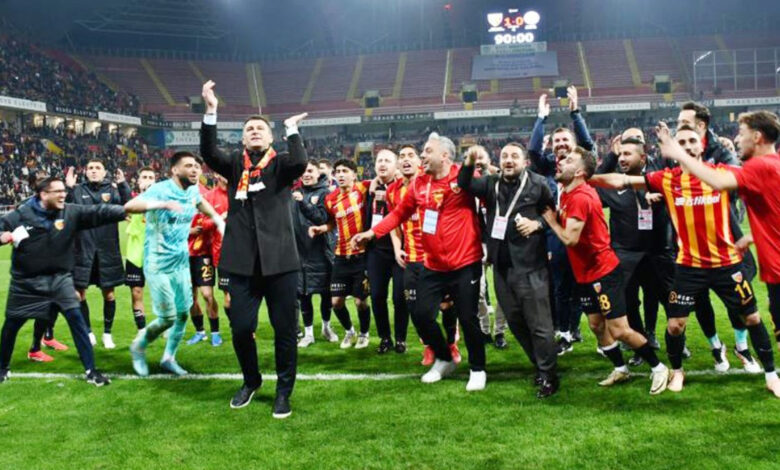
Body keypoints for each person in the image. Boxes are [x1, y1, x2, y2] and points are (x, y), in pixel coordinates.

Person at [589, 123, 779, 397]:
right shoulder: (667, 179)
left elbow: (763, 192)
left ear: (702, 145)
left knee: (751, 317)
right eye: (682, 142)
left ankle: (771, 375)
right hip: (689, 267)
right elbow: (623, 181)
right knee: (675, 325)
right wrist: (586, 178)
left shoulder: (722, 174)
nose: (688, 146)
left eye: (692, 140)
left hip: (726, 264)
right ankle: (677, 371)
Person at [200, 80, 308, 417]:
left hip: (280, 262)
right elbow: (209, 153)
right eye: (249, 129)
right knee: (241, 328)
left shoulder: (282, 164)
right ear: (243, 139)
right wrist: (211, 111)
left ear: (271, 137)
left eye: (260, 128)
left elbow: (300, 163)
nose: (255, 131)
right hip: (242, 263)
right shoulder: (235, 164)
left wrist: (292, 129)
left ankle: (283, 392)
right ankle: (251, 380)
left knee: (285, 330)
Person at [351, 132, 487, 392]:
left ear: (444, 156)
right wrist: (372, 233)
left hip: (465, 262)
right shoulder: (419, 184)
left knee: (468, 317)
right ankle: (444, 358)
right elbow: (399, 214)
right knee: (421, 314)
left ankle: (478, 368)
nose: (422, 156)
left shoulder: (463, 177)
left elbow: (487, 195)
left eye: (427, 151)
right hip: (433, 264)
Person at [0, 176, 157, 386]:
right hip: (26, 282)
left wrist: (124, 210)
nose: (63, 194)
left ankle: (91, 371)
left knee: (77, 322)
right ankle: (2, 368)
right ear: (43, 194)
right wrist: (3, 236)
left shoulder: (70, 212)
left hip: (60, 280)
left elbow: (98, 212)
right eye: (57, 191)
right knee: (12, 324)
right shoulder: (21, 214)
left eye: (63, 190)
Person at [542, 146, 670, 395]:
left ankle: (658, 367)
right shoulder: (568, 192)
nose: (561, 161)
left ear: (579, 172)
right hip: (585, 273)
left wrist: (551, 221)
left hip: (603, 272)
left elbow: (570, 239)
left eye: (569, 160)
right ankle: (621, 369)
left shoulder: (580, 196)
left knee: (619, 330)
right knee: (596, 325)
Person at [658, 110, 780, 365]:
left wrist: (679, 153)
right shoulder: (772, 165)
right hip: (698, 264)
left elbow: (718, 181)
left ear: (757, 137)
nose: (736, 139)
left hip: (750, 265)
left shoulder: (758, 166)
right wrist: (753, 236)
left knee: (757, 318)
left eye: (741, 133)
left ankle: (756, 361)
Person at [458, 142, 560, 398]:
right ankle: (540, 365)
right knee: (515, 322)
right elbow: (464, 183)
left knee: (539, 325)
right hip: (501, 267)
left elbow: (553, 213)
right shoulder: (490, 183)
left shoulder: (538, 183)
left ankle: (549, 376)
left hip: (531, 265)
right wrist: (469, 160)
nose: (509, 160)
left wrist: (537, 224)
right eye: (504, 156)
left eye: (515, 156)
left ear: (525, 161)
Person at [128, 151, 225, 378]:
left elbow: (200, 202)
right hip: (158, 262)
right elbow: (129, 206)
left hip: (180, 262)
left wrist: (217, 220)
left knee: (182, 314)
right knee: (168, 317)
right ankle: (139, 346)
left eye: (197, 166)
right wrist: (161, 204)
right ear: (174, 169)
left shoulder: (192, 190)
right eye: (189, 166)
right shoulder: (160, 189)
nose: (195, 170)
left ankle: (168, 358)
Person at [529, 89, 593, 353]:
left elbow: (588, 146)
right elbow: (532, 151)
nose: (561, 144)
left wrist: (575, 113)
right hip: (554, 236)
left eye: (565, 139)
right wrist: (540, 118)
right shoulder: (547, 166)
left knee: (580, 285)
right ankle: (562, 329)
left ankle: (573, 327)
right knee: (558, 286)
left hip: (581, 234)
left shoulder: (580, 165)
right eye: (557, 141)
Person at [386, 145, 459, 359]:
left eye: (411, 155)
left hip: (436, 259)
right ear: (398, 164)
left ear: (420, 161)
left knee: (446, 305)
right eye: (402, 156)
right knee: (414, 308)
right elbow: (394, 222)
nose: (406, 159)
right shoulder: (392, 191)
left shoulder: (429, 182)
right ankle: (429, 345)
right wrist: (397, 249)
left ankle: (451, 343)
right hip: (411, 259)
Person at [66, 160, 132, 349]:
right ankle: (87, 332)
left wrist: (123, 184)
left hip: (107, 249)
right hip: (82, 249)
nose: (94, 171)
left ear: (104, 172)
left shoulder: (112, 190)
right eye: (90, 168)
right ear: (86, 172)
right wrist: (69, 188)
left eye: (98, 168)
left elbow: (128, 207)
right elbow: (65, 211)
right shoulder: (77, 190)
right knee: (79, 294)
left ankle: (107, 334)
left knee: (109, 294)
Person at [309, 159, 372, 349]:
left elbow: (381, 182)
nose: (341, 175)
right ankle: (349, 331)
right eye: (338, 171)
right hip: (340, 256)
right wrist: (321, 228)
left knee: (361, 302)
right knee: (336, 301)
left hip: (362, 255)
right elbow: (331, 222)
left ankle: (364, 334)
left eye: (345, 171)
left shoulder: (363, 188)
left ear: (354, 174)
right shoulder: (331, 199)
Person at [365, 149, 408, 354]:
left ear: (396, 166)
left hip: (400, 250)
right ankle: (385, 338)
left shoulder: (404, 187)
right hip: (376, 251)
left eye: (387, 161)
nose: (382, 164)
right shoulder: (367, 188)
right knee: (377, 296)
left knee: (400, 297)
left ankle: (401, 339)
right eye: (379, 161)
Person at [293, 160, 339, 347]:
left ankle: (326, 327)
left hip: (321, 252)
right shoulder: (296, 193)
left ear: (318, 173)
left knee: (326, 293)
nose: (306, 174)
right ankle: (308, 333)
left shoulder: (325, 193)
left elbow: (321, 218)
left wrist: (303, 203)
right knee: (304, 294)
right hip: (300, 252)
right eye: (303, 171)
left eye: (310, 171)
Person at [471, 147, 508, 348]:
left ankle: (500, 332)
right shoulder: (469, 187)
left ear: (489, 160)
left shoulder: (501, 182)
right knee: (478, 292)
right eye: (474, 159)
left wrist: (493, 170)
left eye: (481, 158)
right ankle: (484, 329)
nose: (478, 162)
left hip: (500, 243)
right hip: (476, 245)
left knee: (503, 291)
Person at [185, 182, 222, 347]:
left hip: (203, 254)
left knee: (207, 294)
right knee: (190, 297)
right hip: (184, 256)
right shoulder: (177, 200)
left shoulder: (205, 194)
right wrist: (188, 230)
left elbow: (212, 220)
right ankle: (200, 331)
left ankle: (215, 332)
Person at [125, 167, 157, 338]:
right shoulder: (133, 200)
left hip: (157, 253)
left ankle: (165, 325)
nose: (147, 180)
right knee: (136, 292)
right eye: (144, 177)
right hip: (135, 254)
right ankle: (141, 330)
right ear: (138, 181)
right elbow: (126, 210)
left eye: (151, 177)